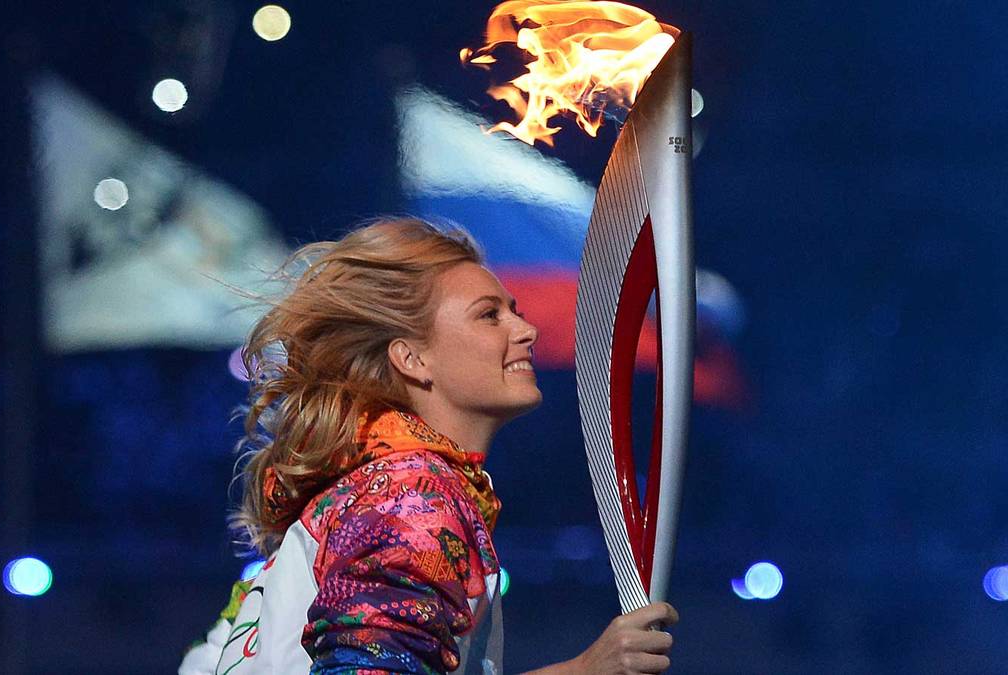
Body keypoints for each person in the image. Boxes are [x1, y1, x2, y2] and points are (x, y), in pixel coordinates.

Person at [179, 217, 678, 674]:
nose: (526, 331)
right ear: (412, 358)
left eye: (514, 312)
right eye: (489, 316)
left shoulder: (373, 489)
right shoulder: (410, 497)